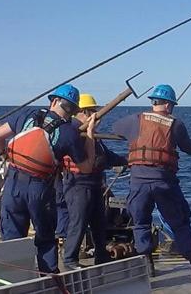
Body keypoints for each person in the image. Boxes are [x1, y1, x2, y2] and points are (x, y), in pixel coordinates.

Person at [0, 84, 96, 273]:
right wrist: (90, 136)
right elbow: (86, 167)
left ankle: (14, 280)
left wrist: (6, 158)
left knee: (12, 240)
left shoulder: (27, 115)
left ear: (54, 101)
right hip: (40, 189)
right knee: (45, 238)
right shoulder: (69, 132)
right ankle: (50, 282)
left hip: (13, 184)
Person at [111, 84, 191, 283]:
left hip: (138, 184)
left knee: (140, 223)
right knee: (180, 224)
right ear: (167, 104)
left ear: (153, 102)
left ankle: (149, 268)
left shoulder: (136, 120)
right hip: (164, 183)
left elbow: (115, 129)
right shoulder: (176, 124)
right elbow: (188, 148)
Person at [61, 93, 128, 269]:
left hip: (94, 184)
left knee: (99, 223)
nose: (96, 116)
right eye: (93, 112)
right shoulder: (74, 132)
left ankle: (101, 254)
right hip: (78, 184)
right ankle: (69, 259)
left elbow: (105, 155)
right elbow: (97, 159)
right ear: (82, 112)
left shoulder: (90, 134)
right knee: (78, 222)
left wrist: (127, 159)